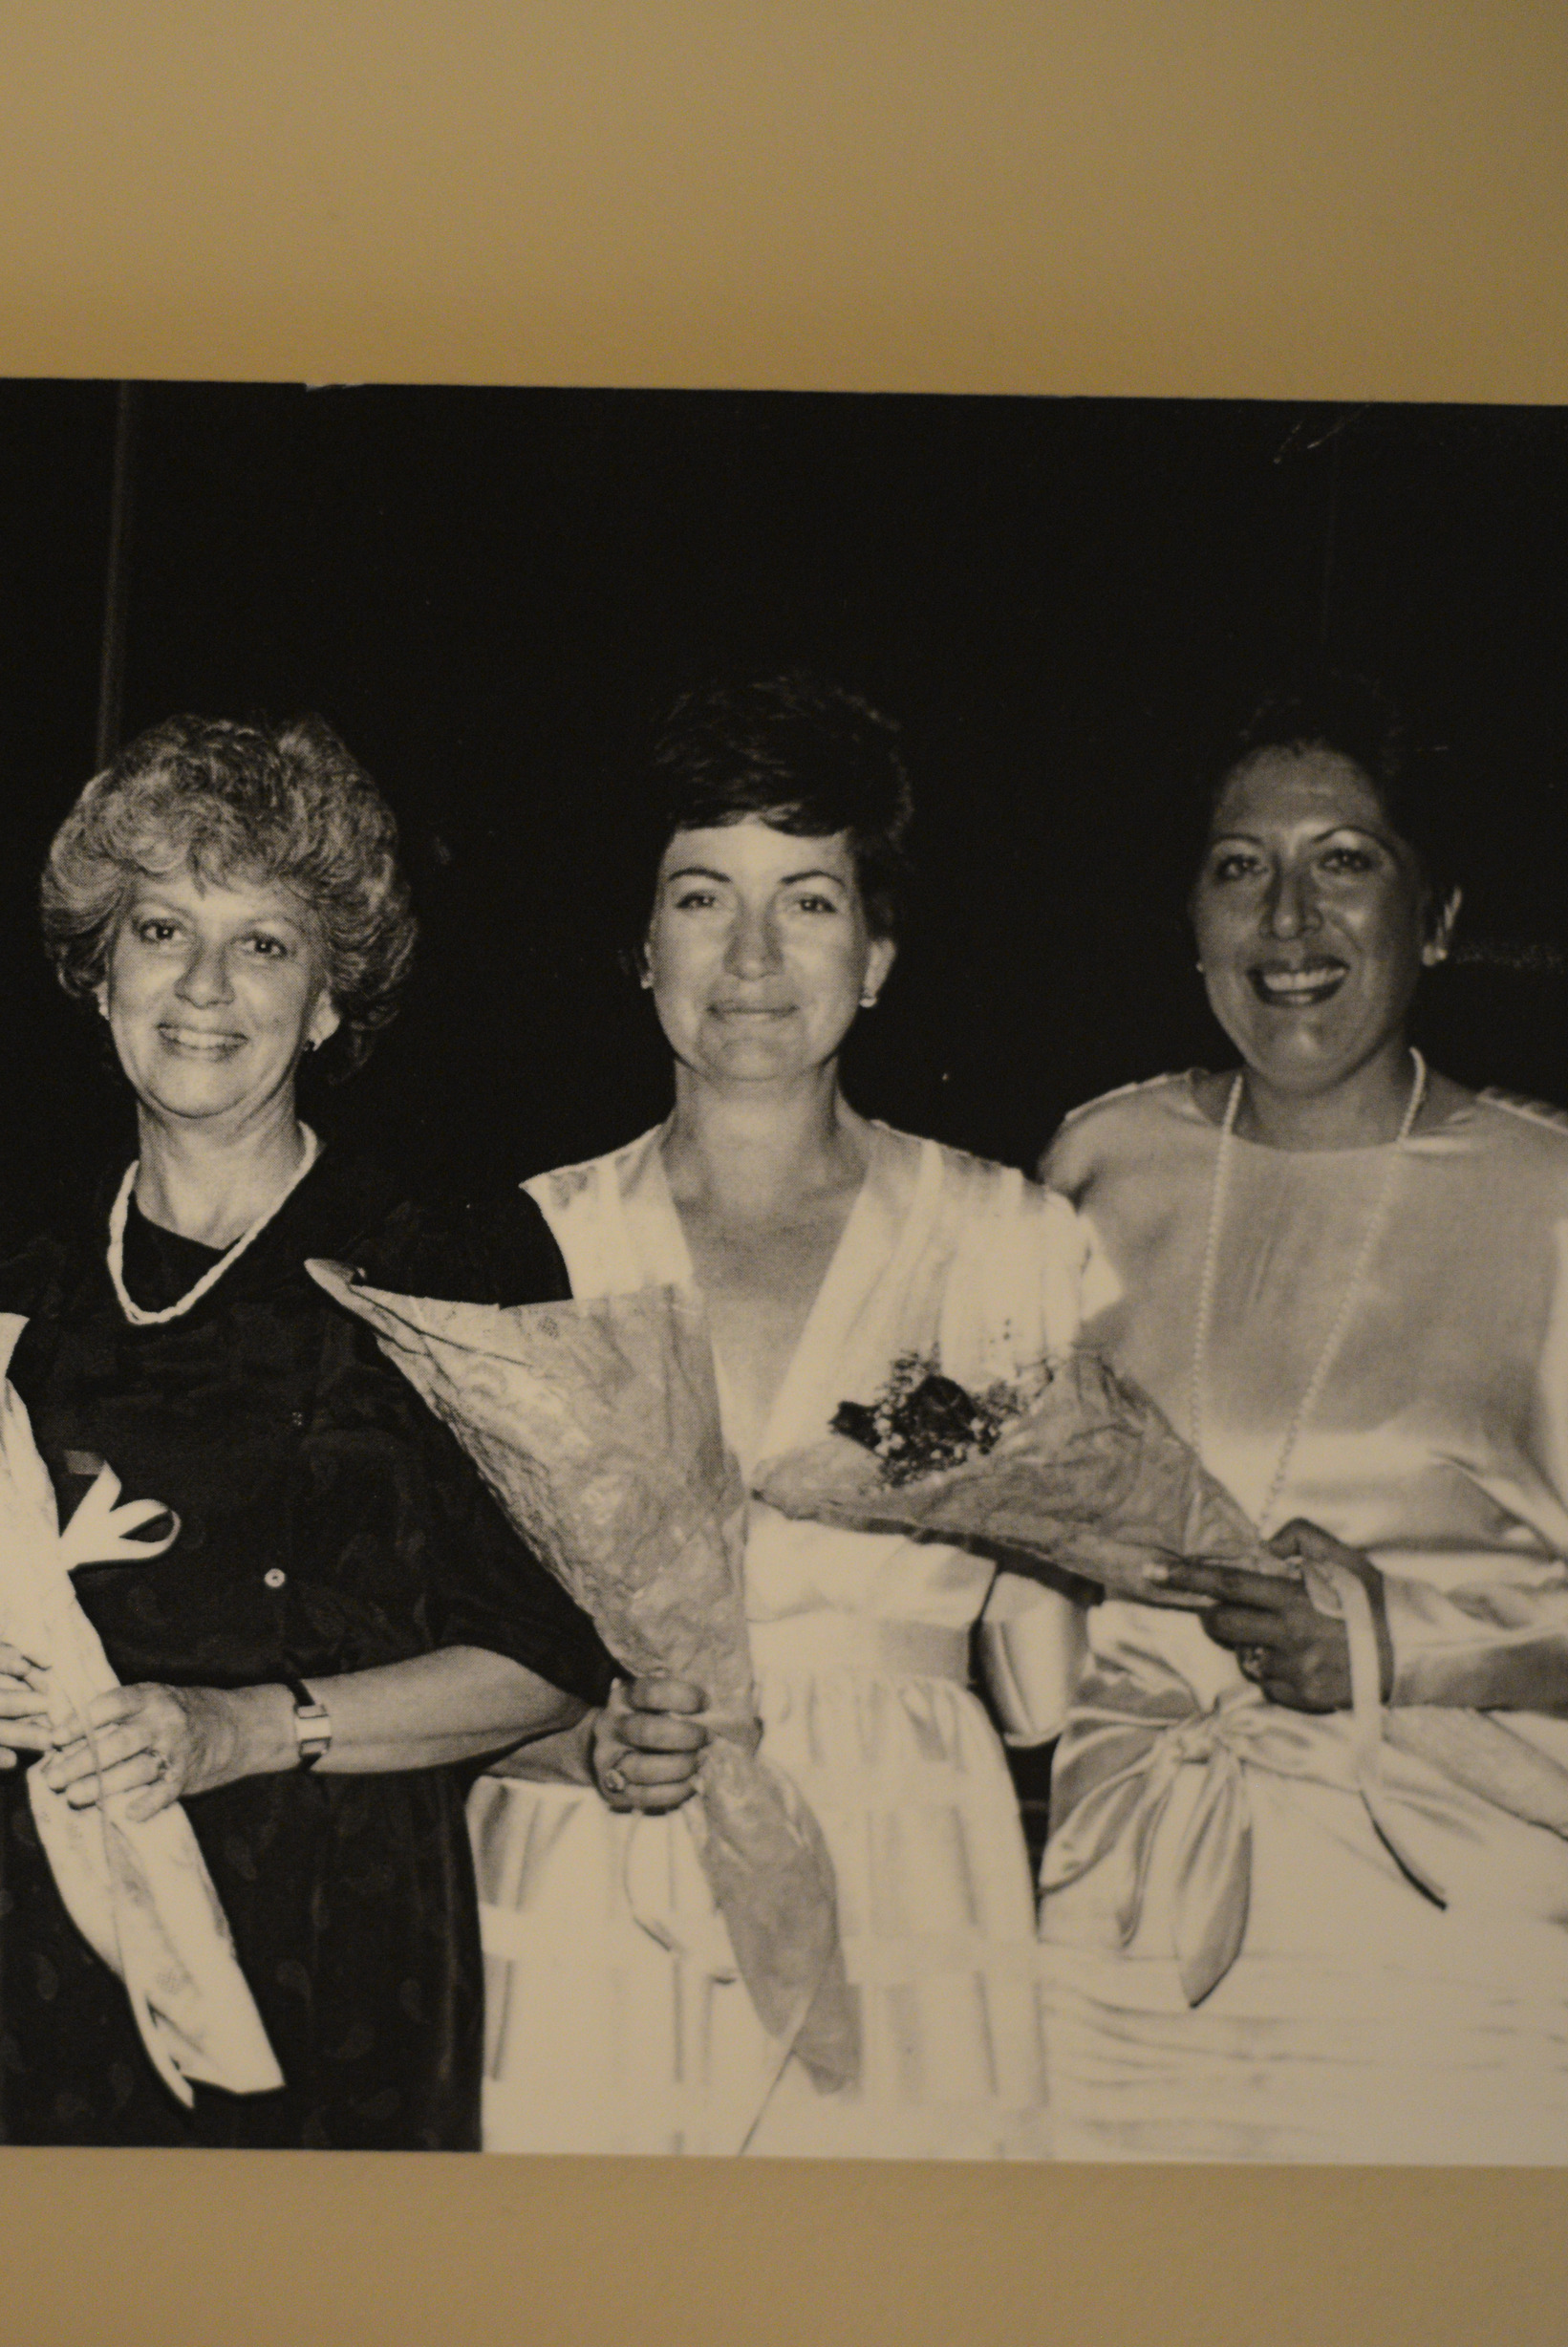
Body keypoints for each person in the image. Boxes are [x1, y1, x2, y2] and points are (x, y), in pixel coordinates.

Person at [0, 714, 618, 2151]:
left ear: (332, 999)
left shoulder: (446, 1256)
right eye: (161, 929)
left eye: (266, 943)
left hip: (323, 1926)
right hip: (20, 1924)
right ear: (98, 974)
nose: (205, 985)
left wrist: (241, 1730)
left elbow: (546, 1653)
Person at [449, 674, 1099, 2158]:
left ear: (878, 950)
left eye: (806, 901)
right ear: (640, 942)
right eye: (699, 897)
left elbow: (1066, 1658)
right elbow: (441, 1631)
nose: (749, 955)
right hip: (601, 1859)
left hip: (906, 1870)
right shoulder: (524, 1247)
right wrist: (575, 1742)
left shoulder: (1013, 1239)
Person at [1032, 678, 1568, 2164]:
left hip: (1453, 1909)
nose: (1290, 921)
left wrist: (1390, 1637)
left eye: (1347, 860)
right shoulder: (1097, 1162)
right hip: (1126, 1897)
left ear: (1438, 916)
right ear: (1192, 918)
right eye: (1241, 867)